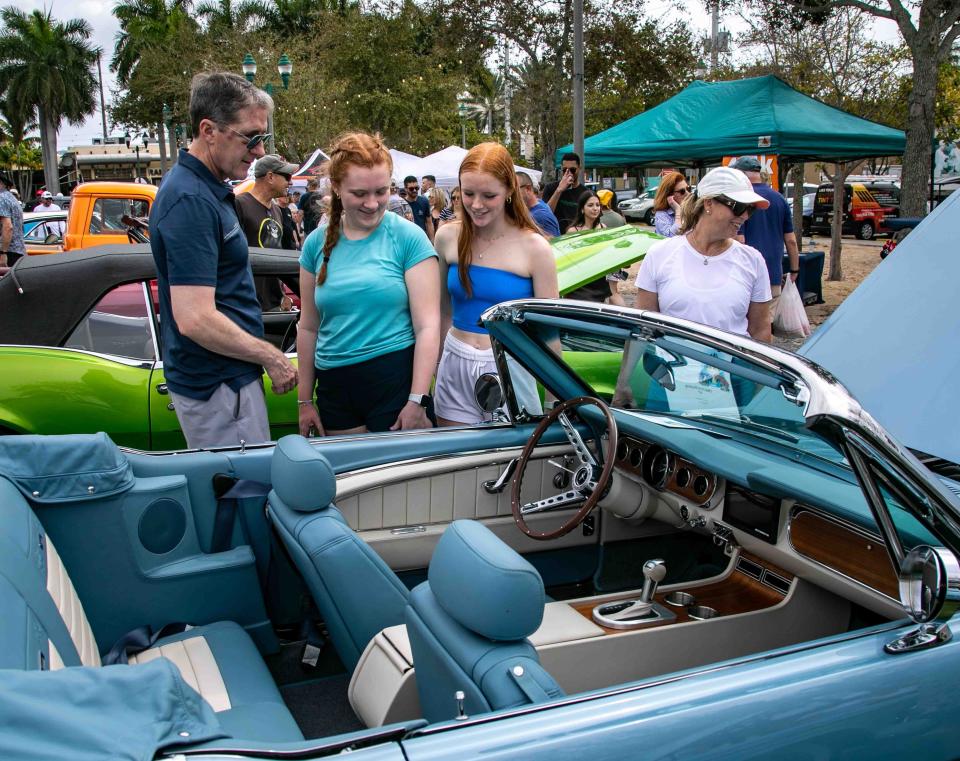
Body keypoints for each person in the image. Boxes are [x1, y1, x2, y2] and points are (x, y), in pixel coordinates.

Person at [149, 71, 298, 449]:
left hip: (225, 381)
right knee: (240, 495)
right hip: (218, 385)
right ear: (208, 130)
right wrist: (272, 356)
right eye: (251, 137)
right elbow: (195, 317)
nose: (260, 151)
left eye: (262, 138)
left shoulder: (204, 190)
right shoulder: (190, 200)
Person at [297, 132, 440, 437]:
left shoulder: (408, 238)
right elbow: (308, 326)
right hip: (335, 385)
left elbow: (428, 325)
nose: (372, 203)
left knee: (397, 482)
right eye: (360, 193)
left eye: (381, 191)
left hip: (394, 382)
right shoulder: (314, 245)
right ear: (336, 187)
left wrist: (418, 399)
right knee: (353, 482)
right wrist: (304, 400)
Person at [433, 142, 558, 426]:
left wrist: (554, 401)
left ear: (509, 191)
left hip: (511, 366)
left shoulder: (535, 248)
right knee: (454, 466)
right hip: (455, 362)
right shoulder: (447, 237)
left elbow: (549, 334)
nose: (477, 205)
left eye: (489, 195)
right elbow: (443, 312)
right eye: (468, 194)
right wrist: (437, 368)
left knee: (513, 466)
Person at [634, 166, 772, 342]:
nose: (745, 215)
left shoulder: (753, 260)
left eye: (751, 209)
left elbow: (760, 331)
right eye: (739, 207)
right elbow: (644, 327)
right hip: (672, 367)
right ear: (708, 203)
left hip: (732, 368)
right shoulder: (659, 254)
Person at [731, 156, 800, 311]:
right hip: (773, 274)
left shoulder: (741, 199)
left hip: (744, 276)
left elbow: (739, 239)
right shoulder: (780, 199)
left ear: (741, 175)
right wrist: (794, 270)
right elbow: (791, 240)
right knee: (767, 326)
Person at [564, 190, 625, 306]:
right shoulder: (573, 232)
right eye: (590, 205)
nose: (595, 208)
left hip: (599, 280)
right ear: (582, 209)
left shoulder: (603, 228)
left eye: (598, 205)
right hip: (579, 283)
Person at [235, 154, 298, 249]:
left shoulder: (277, 210)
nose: (291, 182)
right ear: (270, 177)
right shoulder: (239, 204)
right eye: (287, 177)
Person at [542, 152, 584, 233]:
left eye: (572, 170)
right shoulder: (551, 188)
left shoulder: (586, 193)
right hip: (555, 237)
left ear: (579, 168)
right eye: (565, 170)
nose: (568, 173)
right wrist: (559, 190)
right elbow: (545, 214)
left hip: (576, 237)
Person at [517, 172, 560, 238]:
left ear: (528, 189)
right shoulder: (539, 203)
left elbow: (552, 245)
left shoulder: (540, 216)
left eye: (515, 189)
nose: (511, 193)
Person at [652, 172, 690, 237]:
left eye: (688, 189)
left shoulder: (688, 209)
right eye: (682, 191)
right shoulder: (661, 214)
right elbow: (672, 237)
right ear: (670, 195)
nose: (688, 193)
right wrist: (678, 210)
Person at [0, 173, 26, 267]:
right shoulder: (11, 198)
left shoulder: (1, 198)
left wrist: (3, 253)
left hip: (8, 253)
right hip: (17, 251)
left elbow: (8, 227)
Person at [403, 175, 435, 242]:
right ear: (405, 189)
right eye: (411, 189)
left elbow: (429, 222)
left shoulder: (424, 201)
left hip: (422, 239)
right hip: (408, 240)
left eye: (416, 188)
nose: (414, 190)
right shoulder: (402, 204)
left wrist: (432, 241)